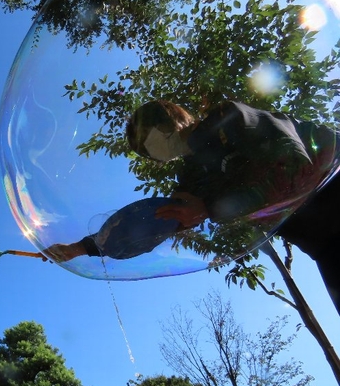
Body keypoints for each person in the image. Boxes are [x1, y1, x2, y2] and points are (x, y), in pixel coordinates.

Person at [44, 99, 340, 315]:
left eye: (148, 138)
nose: (151, 153)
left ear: (172, 117)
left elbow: (297, 169)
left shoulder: (229, 117)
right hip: (322, 244)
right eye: (144, 152)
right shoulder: (192, 177)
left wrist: (207, 207)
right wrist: (82, 248)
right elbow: (152, 221)